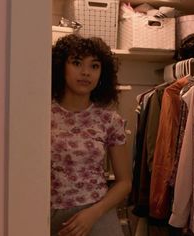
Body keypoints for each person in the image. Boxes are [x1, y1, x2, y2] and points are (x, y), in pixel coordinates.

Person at [51, 34, 132, 236]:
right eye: (77, 63)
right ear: (61, 67)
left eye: (94, 66)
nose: (86, 72)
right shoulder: (40, 116)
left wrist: (94, 213)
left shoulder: (109, 120)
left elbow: (124, 182)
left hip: (97, 214)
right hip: (46, 214)